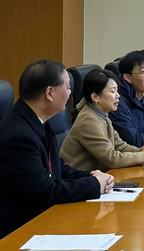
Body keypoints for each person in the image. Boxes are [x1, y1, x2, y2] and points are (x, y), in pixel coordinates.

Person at [0, 60, 114, 238]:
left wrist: (91, 176)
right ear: (50, 93)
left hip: (41, 218)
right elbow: (42, 191)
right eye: (68, 87)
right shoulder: (18, 135)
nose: (70, 93)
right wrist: (93, 185)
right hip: (19, 231)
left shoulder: (39, 122)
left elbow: (57, 169)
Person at [60, 68, 144, 171]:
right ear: (95, 97)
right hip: (79, 178)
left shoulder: (102, 114)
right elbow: (112, 159)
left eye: (117, 91)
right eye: (113, 91)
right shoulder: (88, 120)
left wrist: (143, 150)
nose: (118, 95)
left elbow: (119, 146)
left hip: (99, 175)